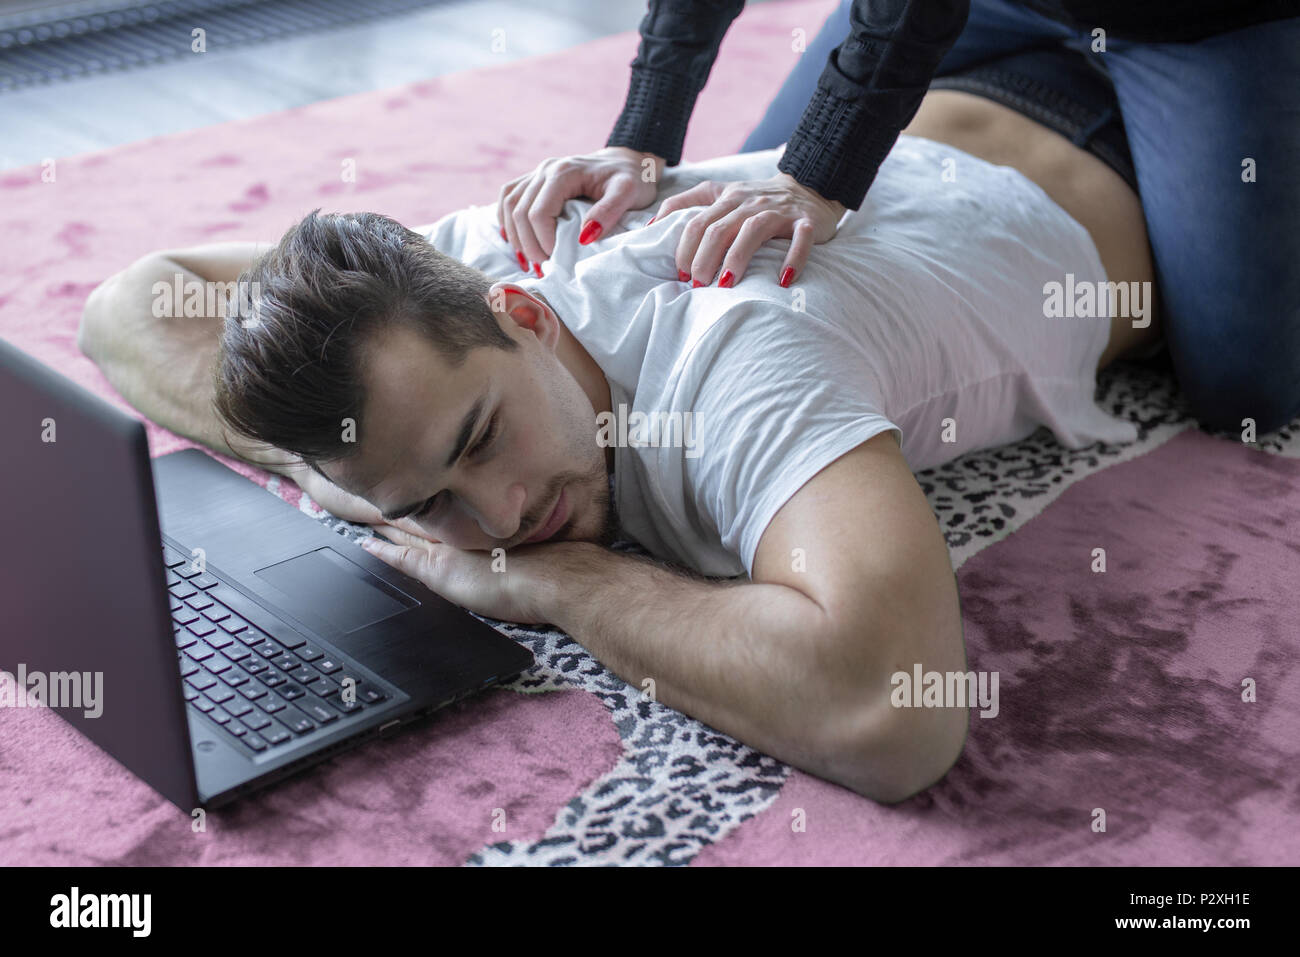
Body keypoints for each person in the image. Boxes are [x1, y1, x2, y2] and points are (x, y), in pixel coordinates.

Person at [78, 85, 1160, 803]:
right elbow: (127, 307)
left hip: (1132, 144)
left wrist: (565, 587)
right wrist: (351, 480)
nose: (499, 523)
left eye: (479, 437)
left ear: (529, 312)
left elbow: (895, 713)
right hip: (937, 87)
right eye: (428, 504)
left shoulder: (738, 359)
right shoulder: (460, 270)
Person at [498, 0, 1299, 435]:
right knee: (726, 209)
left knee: (1247, 396)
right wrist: (642, 136)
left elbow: (817, 177)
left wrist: (815, 178)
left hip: (1209, 20)